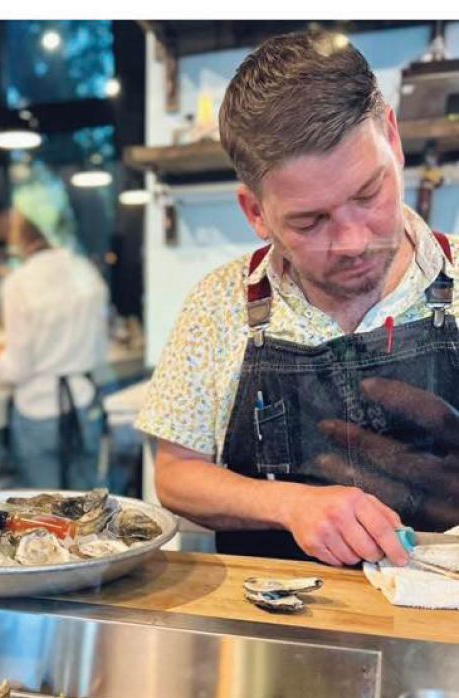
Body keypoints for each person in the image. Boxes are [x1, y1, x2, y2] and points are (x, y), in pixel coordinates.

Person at [136, 31, 459, 567]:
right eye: (311, 221)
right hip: (274, 613)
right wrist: (288, 505)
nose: (352, 242)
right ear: (255, 212)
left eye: (368, 193)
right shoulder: (218, 305)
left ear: (393, 139)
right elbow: (175, 474)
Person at [0, 200, 110, 490]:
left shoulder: (20, 282)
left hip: (38, 411)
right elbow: (97, 348)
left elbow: (16, 369)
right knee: (90, 505)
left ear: (19, 233)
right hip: (84, 403)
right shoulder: (86, 271)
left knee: (42, 510)